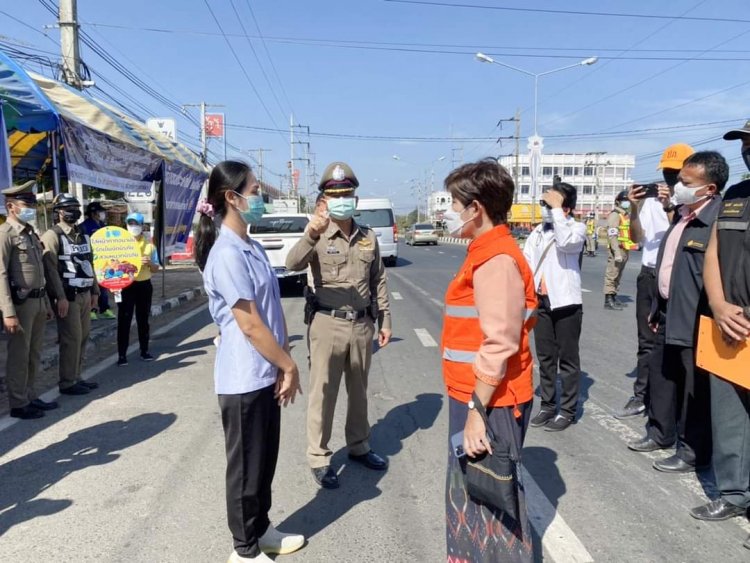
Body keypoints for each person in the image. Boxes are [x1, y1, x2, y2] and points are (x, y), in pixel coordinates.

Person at [195, 160, 304, 563]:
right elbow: (250, 325)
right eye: (256, 191)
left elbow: (272, 313)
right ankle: (243, 551)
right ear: (232, 197)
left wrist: (282, 362)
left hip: (265, 370)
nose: (262, 199)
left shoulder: (251, 246)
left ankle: (262, 530)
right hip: (243, 377)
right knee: (244, 468)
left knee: (264, 460)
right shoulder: (225, 252)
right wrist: (289, 366)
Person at [441, 159, 537, 562]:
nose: (448, 211)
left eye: (453, 202)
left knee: (494, 500)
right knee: (473, 497)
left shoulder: (496, 260)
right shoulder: (484, 251)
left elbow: (499, 343)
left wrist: (477, 411)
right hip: (477, 395)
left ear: (474, 207)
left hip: (491, 401)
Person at [286, 161, 392, 489]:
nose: (342, 200)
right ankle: (319, 456)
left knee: (359, 392)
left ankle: (359, 445)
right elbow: (292, 264)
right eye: (335, 195)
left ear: (355, 200)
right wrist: (311, 233)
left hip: (361, 325)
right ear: (325, 201)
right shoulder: (316, 234)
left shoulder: (368, 237)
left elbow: (379, 280)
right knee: (323, 392)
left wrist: (385, 319)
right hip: (326, 324)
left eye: (347, 194)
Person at [627, 151, 728, 474]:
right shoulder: (684, 215)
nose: (676, 187)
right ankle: (660, 432)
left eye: (685, 182)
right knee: (662, 376)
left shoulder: (716, 220)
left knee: (692, 389)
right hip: (668, 311)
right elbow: (667, 265)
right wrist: (657, 306)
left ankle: (691, 451)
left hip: (695, 317)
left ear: (709, 189)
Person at [689, 122, 750, 537]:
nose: (748, 148)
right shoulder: (736, 196)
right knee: (729, 417)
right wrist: (718, 303)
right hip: (729, 321)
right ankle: (733, 494)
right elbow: (713, 252)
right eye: (746, 142)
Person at [616, 143, 694, 419]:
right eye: (668, 172)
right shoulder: (649, 202)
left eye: (677, 172)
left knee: (677, 344)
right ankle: (641, 396)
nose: (671, 179)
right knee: (646, 342)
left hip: (680, 281)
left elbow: (682, 233)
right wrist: (636, 209)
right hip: (650, 275)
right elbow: (638, 239)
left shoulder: (692, 200)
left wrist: (671, 205)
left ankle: (672, 404)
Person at [523, 183, 586, 432]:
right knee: (546, 358)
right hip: (542, 303)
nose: (546, 209)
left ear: (566, 208)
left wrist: (558, 210)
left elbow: (566, 244)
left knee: (568, 360)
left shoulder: (576, 228)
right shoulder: (538, 231)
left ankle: (568, 410)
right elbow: (527, 263)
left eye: (551, 205)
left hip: (567, 304)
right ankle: (548, 406)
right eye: (545, 205)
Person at [0, 181, 56, 419]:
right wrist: (8, 312)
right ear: (11, 206)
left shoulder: (30, 233)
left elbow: (39, 271)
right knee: (19, 355)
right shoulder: (5, 234)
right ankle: (18, 403)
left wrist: (46, 303)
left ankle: (30, 395)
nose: (31, 208)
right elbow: (0, 273)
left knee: (34, 353)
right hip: (20, 305)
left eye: (33, 203)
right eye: (27, 204)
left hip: (38, 301)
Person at [41, 193, 100, 396]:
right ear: (58, 212)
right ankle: (67, 382)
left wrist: (95, 290)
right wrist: (60, 297)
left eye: (76, 207)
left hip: (85, 293)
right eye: (69, 208)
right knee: (71, 338)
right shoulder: (52, 235)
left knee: (83, 337)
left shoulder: (82, 232)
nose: (74, 211)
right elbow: (50, 270)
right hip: (68, 296)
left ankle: (77, 376)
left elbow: (89, 263)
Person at [116, 212, 159, 366]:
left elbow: (156, 268)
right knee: (124, 319)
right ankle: (122, 355)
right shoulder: (119, 245)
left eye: (136, 224)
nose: (133, 227)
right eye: (130, 223)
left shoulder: (149, 246)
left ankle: (144, 350)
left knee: (143, 319)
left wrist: (149, 263)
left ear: (142, 226)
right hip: (125, 285)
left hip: (143, 285)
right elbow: (113, 266)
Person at [80, 201, 115, 320]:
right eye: (100, 211)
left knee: (103, 286)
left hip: (103, 262)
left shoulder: (102, 225)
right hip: (90, 261)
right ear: (93, 213)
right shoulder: (84, 226)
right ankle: (91, 310)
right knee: (92, 287)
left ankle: (104, 308)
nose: (102, 214)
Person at [603, 190, 637, 310]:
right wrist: (616, 252)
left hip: (624, 249)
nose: (626, 203)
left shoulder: (624, 215)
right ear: (617, 202)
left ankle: (614, 296)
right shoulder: (615, 215)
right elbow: (612, 235)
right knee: (612, 274)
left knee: (618, 275)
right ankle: (608, 299)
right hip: (617, 250)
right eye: (624, 201)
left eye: (627, 201)